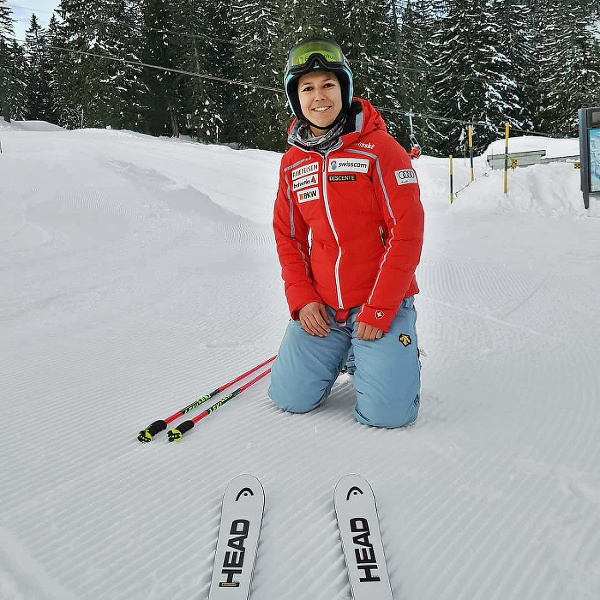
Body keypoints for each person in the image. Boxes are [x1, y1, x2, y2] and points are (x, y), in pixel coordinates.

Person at [268, 38, 424, 428]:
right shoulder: (292, 163)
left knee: (388, 415)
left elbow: (407, 232)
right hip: (324, 306)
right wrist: (302, 299)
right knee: (288, 398)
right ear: (295, 98)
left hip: (378, 304)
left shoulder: (382, 150)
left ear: (345, 89)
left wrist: (381, 307)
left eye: (328, 85)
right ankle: (345, 350)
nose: (318, 96)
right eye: (307, 88)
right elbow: (288, 237)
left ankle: (381, 353)